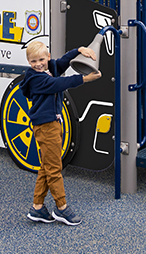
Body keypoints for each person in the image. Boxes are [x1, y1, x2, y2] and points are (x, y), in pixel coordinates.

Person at [19, 39, 101, 226]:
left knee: (47, 166)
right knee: (54, 169)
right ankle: (61, 207)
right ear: (28, 62)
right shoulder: (36, 78)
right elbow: (59, 83)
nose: (38, 64)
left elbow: (62, 62)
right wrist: (85, 79)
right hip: (46, 127)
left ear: (48, 57)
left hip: (52, 125)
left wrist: (78, 49)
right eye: (33, 61)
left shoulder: (49, 68)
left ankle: (37, 207)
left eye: (41, 59)